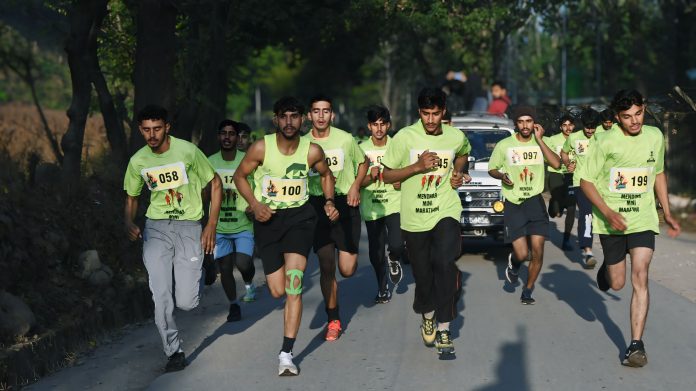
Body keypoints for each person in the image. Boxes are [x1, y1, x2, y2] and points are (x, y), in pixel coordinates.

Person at [233, 96, 338, 376]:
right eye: (284, 116)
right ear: (275, 120)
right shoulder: (260, 147)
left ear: (302, 120)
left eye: (294, 116)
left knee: (294, 284)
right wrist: (255, 206)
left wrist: (328, 201)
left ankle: (286, 353)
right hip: (268, 221)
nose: (289, 122)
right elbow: (239, 176)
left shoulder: (312, 150)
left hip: (300, 219)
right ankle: (286, 349)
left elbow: (327, 175)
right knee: (277, 290)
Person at [578, 89, 681, 367]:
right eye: (627, 117)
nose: (635, 121)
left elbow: (657, 172)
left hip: (643, 219)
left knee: (641, 276)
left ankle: (636, 345)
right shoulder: (604, 141)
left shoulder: (655, 136)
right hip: (611, 221)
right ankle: (608, 270)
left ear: (644, 109)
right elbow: (586, 181)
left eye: (639, 114)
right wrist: (608, 212)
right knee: (618, 282)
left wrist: (667, 211)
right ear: (617, 117)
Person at [123, 104, 222, 372]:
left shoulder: (188, 151)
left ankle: (205, 264)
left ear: (167, 127)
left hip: (189, 226)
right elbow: (132, 197)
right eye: (146, 130)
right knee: (161, 295)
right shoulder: (138, 161)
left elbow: (215, 183)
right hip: (156, 228)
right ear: (140, 130)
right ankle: (173, 351)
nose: (152, 135)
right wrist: (129, 221)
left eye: (157, 129)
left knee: (187, 303)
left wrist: (211, 224)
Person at [382, 87, 471, 356]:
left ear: (443, 111)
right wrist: (417, 167)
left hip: (445, 209)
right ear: (418, 112)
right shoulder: (404, 137)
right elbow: (386, 176)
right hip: (414, 217)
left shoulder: (456, 136)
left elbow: (463, 153)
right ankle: (427, 314)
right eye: (425, 114)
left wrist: (458, 173)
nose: (430, 120)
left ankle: (444, 328)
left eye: (435, 114)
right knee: (423, 275)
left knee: (444, 264)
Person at [303, 94, 368, 341]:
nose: (321, 116)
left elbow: (363, 163)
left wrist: (355, 186)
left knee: (348, 269)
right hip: (316, 204)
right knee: (326, 266)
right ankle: (334, 319)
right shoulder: (302, 143)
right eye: (316, 111)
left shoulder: (345, 139)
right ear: (309, 116)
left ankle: (347, 255)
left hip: (345, 201)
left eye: (326, 111)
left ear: (332, 115)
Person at [488, 105, 562, 305]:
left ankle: (528, 290)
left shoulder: (541, 143)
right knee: (522, 253)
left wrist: (540, 140)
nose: (525, 125)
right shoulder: (505, 145)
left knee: (537, 250)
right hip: (514, 203)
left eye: (529, 121)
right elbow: (492, 169)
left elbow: (557, 164)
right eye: (521, 121)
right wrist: (502, 176)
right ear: (516, 123)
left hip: (535, 202)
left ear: (534, 123)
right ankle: (514, 263)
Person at [207, 120, 257, 322]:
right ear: (218, 137)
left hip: (243, 223)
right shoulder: (209, 162)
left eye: (231, 134)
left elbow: (258, 186)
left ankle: (248, 280)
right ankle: (234, 305)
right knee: (225, 268)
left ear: (237, 138)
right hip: (219, 226)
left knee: (243, 263)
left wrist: (254, 205)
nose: (227, 137)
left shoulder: (247, 160)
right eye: (223, 133)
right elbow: (203, 191)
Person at [358, 105, 404, 303]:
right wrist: (370, 177)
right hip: (372, 207)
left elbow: (406, 174)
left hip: (394, 204)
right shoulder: (361, 149)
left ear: (389, 125)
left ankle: (394, 259)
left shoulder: (398, 146)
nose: (379, 129)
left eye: (383, 124)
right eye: (375, 124)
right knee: (376, 253)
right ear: (369, 126)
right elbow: (356, 182)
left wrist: (399, 180)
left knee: (397, 245)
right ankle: (382, 288)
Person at [561, 109, 599, 269]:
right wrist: (568, 163)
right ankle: (588, 251)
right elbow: (564, 153)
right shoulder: (574, 138)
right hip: (581, 182)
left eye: (593, 127)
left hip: (601, 184)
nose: (590, 131)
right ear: (582, 125)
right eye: (587, 127)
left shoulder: (603, 137)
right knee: (587, 214)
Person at [544, 114, 577, 251]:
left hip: (572, 176)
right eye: (565, 125)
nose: (568, 128)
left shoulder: (578, 139)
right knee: (556, 209)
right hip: (556, 173)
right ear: (560, 127)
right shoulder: (552, 140)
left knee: (571, 207)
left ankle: (566, 239)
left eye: (570, 125)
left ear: (574, 126)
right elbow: (547, 156)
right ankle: (554, 202)